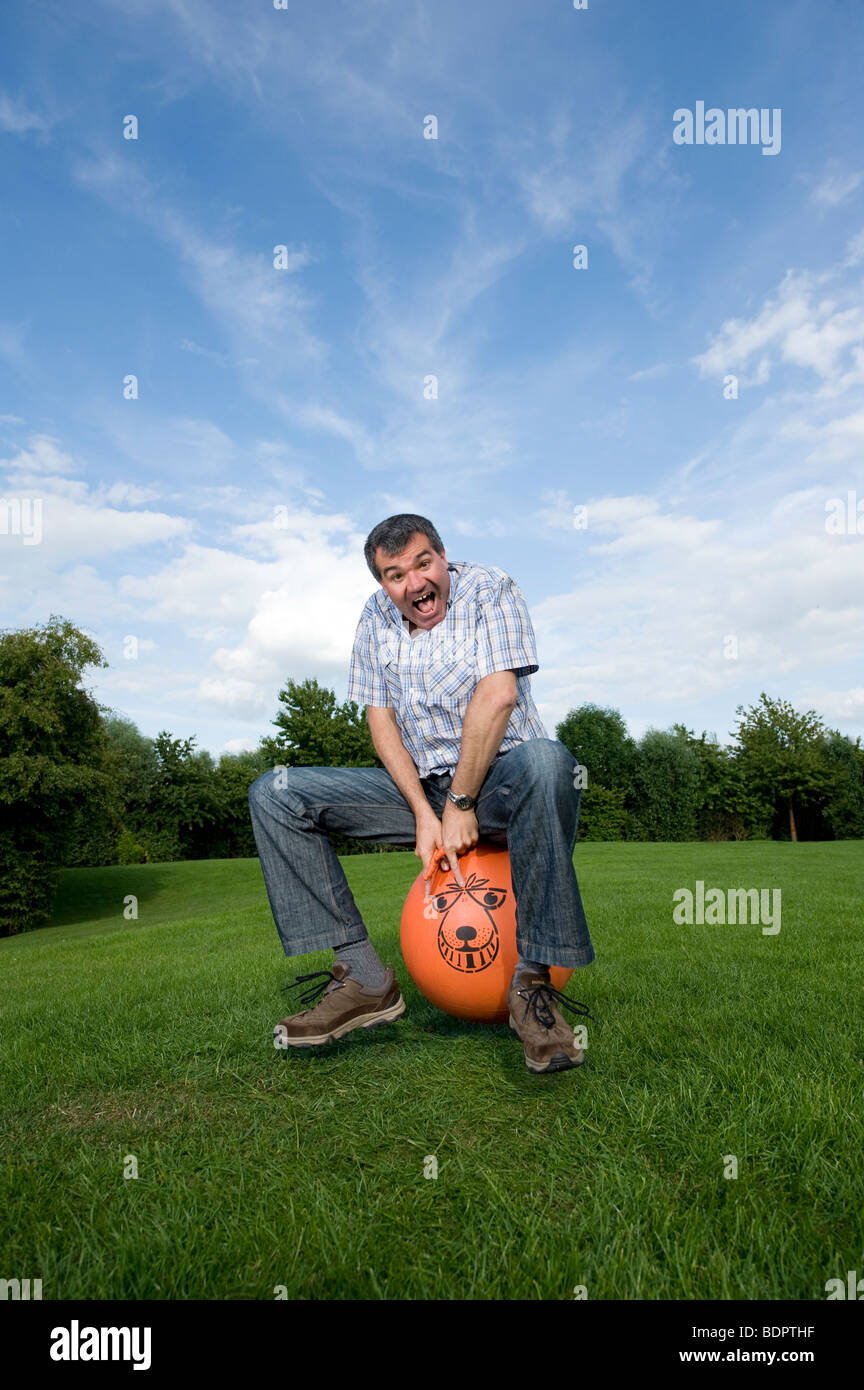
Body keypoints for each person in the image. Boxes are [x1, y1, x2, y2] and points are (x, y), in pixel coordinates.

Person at [248, 513, 595, 1074]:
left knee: (549, 761)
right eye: (394, 574)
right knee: (276, 794)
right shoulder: (374, 618)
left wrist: (460, 803)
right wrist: (423, 813)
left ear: (441, 557)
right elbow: (380, 721)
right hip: (422, 791)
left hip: (503, 780)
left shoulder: (491, 588)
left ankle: (534, 985)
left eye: (422, 563)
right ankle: (363, 977)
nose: (413, 584)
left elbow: (499, 694)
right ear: (381, 583)